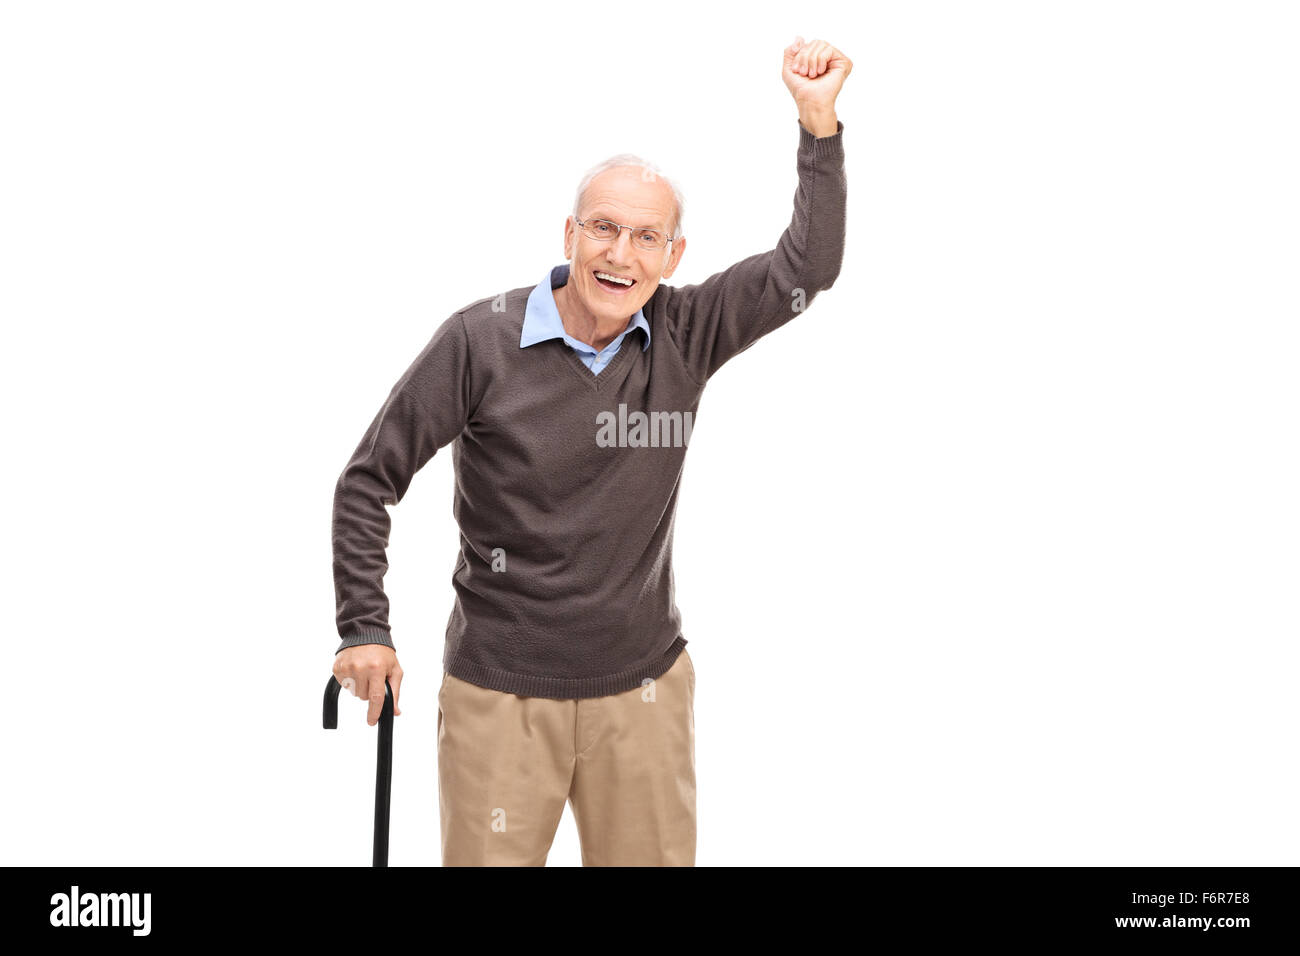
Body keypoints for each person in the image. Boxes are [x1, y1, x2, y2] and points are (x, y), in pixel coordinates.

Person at [331, 36, 851, 865]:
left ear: (673, 256)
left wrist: (817, 123)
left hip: (642, 691)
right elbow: (369, 481)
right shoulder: (480, 341)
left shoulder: (688, 330)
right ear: (570, 233)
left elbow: (809, 266)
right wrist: (364, 626)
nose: (621, 253)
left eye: (647, 237)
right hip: (498, 695)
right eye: (603, 228)